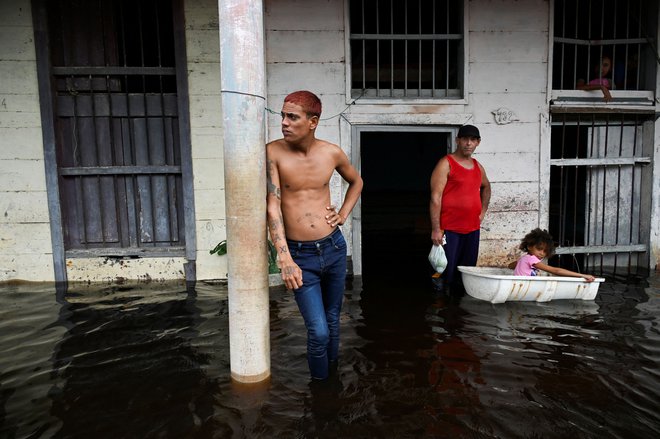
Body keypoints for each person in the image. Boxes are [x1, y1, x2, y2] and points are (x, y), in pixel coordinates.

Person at [266, 90, 363, 380]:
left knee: (333, 322)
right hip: (300, 256)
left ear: (312, 121)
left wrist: (343, 214)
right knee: (318, 330)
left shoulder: (331, 152)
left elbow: (357, 182)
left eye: (292, 117)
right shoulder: (273, 152)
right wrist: (284, 258)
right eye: (282, 115)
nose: (284, 122)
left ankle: (330, 382)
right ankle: (320, 392)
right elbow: (273, 206)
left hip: (333, 247)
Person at [429, 124, 491, 292]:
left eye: (473, 140)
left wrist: (482, 211)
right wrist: (436, 229)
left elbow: (486, 187)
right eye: (465, 139)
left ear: (478, 142)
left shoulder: (478, 167)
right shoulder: (446, 163)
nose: (468, 143)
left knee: (466, 272)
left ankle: (459, 311)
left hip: (472, 229)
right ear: (458, 140)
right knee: (444, 270)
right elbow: (435, 197)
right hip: (449, 228)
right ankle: (439, 308)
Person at [513, 228, 595, 281]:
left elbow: (511, 265)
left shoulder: (524, 258)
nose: (542, 253)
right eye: (539, 249)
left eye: (545, 251)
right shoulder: (531, 259)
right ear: (529, 246)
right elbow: (556, 271)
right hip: (524, 286)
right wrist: (582, 275)